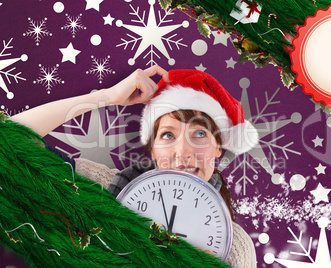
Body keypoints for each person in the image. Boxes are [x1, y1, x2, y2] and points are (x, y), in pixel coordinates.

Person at [10, 65, 258, 267]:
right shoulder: (101, 188)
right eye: (169, 136)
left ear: (218, 148)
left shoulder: (235, 247)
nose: (182, 152)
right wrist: (104, 97)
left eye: (200, 134)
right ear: (153, 148)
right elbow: (10, 141)